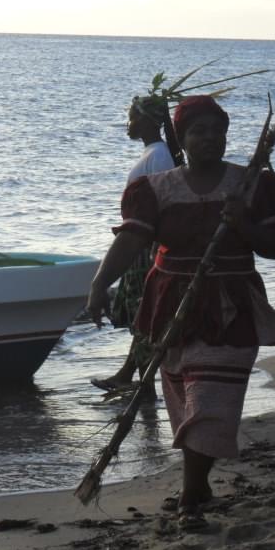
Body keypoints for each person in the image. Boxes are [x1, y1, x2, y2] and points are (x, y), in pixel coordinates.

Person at [86, 95, 275, 530]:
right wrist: (99, 284)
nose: (210, 138)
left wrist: (241, 224)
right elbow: (131, 242)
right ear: (182, 137)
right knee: (183, 400)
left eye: (217, 130)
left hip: (231, 307)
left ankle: (188, 499)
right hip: (170, 306)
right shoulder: (156, 189)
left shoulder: (254, 185)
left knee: (211, 399)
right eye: (199, 131)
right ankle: (199, 484)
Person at [91, 95, 177, 394]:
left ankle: (139, 381)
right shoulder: (153, 153)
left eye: (132, 117)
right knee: (141, 313)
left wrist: (152, 249)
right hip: (139, 245)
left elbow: (164, 204)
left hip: (145, 247)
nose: (128, 123)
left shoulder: (159, 156)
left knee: (143, 313)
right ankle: (137, 380)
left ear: (148, 121)